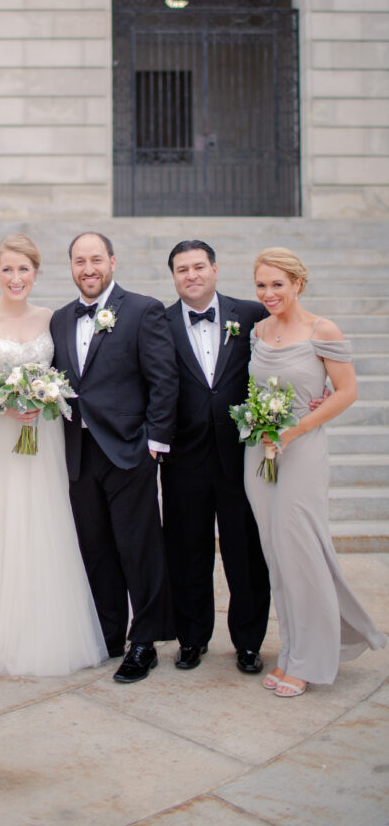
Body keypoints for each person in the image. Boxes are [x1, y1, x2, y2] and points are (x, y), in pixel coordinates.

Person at [0, 233, 107, 677]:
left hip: (40, 441)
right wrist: (1, 404)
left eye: (24, 269)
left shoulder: (52, 319)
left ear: (36, 272)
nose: (16, 278)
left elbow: (66, 376)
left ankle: (42, 631)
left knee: (42, 526)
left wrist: (44, 398)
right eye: (7, 270)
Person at [245, 247, 386, 697]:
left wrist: (298, 428)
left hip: (302, 449)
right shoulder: (258, 330)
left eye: (278, 284)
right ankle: (290, 652)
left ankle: (311, 660)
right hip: (259, 453)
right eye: (262, 285)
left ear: (298, 283)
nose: (269, 293)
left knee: (302, 553)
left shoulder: (322, 329)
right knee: (277, 557)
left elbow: (346, 392)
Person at [50, 231, 178, 684]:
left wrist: (154, 443)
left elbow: (164, 381)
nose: (88, 268)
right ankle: (108, 634)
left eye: (96, 259)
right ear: (70, 266)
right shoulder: (61, 319)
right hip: (79, 451)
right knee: (96, 549)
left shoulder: (143, 309)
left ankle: (145, 641)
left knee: (138, 548)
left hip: (128, 449)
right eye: (80, 260)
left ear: (112, 262)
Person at [161, 240, 270, 674]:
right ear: (173, 276)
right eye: (182, 269)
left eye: (198, 267)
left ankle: (248, 642)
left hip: (240, 455)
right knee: (188, 552)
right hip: (183, 457)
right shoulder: (160, 321)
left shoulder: (251, 314)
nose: (191, 275)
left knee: (246, 553)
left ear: (215, 270)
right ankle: (192, 639)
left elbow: (280, 357)